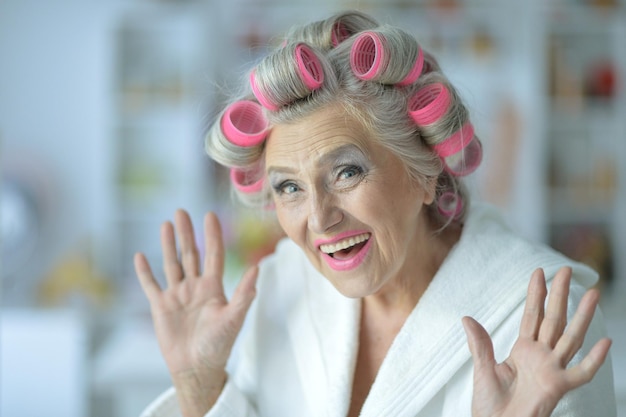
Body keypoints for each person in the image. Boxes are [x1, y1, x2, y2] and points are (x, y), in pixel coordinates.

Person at [134, 10, 616, 417]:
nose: (320, 219)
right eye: (289, 186)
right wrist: (198, 383)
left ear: (425, 171)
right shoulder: (282, 287)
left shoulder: (543, 319)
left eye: (346, 173)